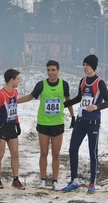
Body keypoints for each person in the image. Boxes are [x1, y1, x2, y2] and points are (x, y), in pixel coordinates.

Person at [17, 60, 75, 191]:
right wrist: (14, 101)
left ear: (58, 70)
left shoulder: (64, 84)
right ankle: (42, 180)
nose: (51, 73)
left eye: (53, 70)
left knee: (56, 153)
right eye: (48, 70)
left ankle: (55, 181)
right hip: (43, 123)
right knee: (43, 152)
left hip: (58, 123)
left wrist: (73, 116)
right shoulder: (41, 85)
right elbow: (30, 97)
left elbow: (68, 100)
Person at [61, 55, 108, 194]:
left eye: (87, 64)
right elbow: (78, 98)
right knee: (72, 149)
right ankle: (74, 181)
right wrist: (62, 105)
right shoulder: (83, 81)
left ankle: (92, 184)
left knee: (92, 153)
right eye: (83, 64)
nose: (84, 67)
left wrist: (97, 107)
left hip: (93, 123)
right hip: (81, 122)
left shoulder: (100, 82)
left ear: (93, 66)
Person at [0, 68, 25, 190]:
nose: (19, 81)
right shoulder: (0, 95)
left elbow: (13, 108)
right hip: (1, 127)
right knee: (0, 154)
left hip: (11, 127)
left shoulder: (15, 92)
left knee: (15, 154)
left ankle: (15, 179)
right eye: (18, 79)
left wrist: (17, 123)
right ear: (11, 80)